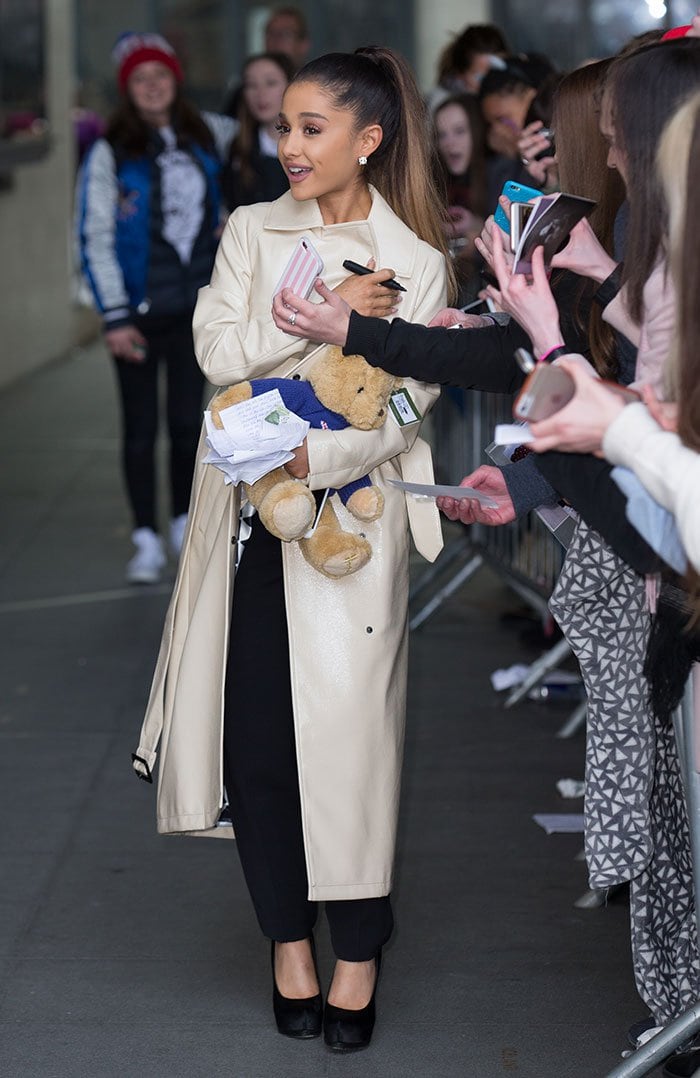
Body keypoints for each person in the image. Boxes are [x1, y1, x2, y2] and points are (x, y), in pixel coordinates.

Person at [132, 46, 451, 1053]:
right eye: (283, 127)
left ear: (368, 139)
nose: (291, 145)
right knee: (260, 748)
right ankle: (288, 942)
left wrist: (319, 449)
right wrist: (308, 325)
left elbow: (410, 398)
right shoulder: (250, 228)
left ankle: (359, 950)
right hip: (246, 526)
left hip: (350, 525)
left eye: (314, 128)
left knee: (356, 751)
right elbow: (216, 348)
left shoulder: (416, 258)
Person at [77, 32, 235, 583]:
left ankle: (182, 521)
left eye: (159, 74)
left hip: (196, 309)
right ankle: (144, 535)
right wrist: (114, 315)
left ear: (175, 79)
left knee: (189, 422)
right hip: (138, 315)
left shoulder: (209, 134)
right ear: (127, 89)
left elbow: (265, 144)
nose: (151, 85)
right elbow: (95, 232)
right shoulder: (109, 149)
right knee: (140, 428)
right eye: (139, 78)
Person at [433, 94, 488, 303]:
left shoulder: (500, 174)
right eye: (441, 135)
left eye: (459, 131)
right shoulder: (436, 179)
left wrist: (477, 227)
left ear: (477, 131)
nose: (449, 142)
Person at [222, 52, 293, 212]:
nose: (260, 94)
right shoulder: (239, 149)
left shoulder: (314, 146)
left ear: (292, 86)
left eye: (270, 83)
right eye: (251, 85)